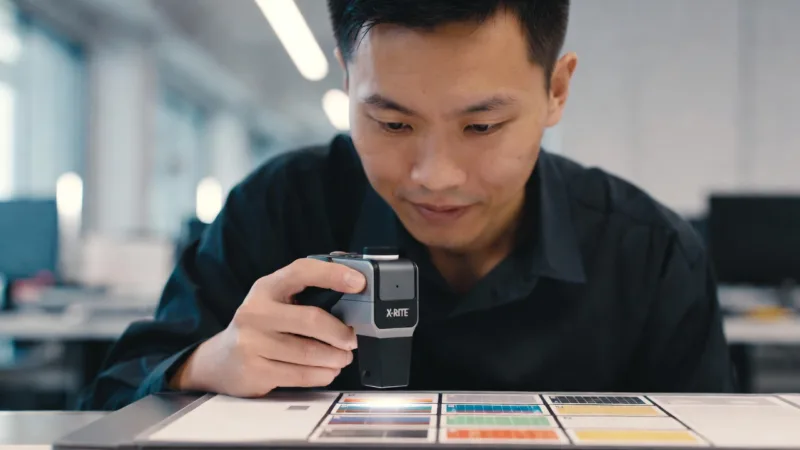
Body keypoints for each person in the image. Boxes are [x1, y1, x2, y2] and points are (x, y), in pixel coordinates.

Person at [79, 0, 735, 410]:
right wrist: (210, 363)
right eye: (392, 124)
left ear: (556, 90)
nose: (435, 176)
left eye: (481, 127)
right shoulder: (275, 209)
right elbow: (103, 401)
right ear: (347, 79)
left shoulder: (651, 255)